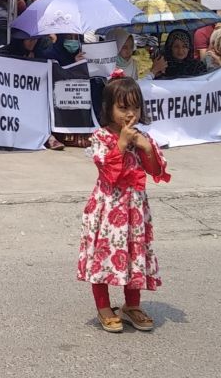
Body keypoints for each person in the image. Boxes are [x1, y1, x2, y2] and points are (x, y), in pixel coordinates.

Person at [75, 74, 170, 334]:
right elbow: (109, 172)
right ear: (109, 109)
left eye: (135, 107)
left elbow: (155, 171)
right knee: (103, 255)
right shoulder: (101, 137)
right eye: (123, 107)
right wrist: (122, 143)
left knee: (134, 253)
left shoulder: (143, 137)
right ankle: (104, 306)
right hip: (108, 208)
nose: (130, 114)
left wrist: (146, 148)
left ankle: (132, 304)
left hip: (134, 209)